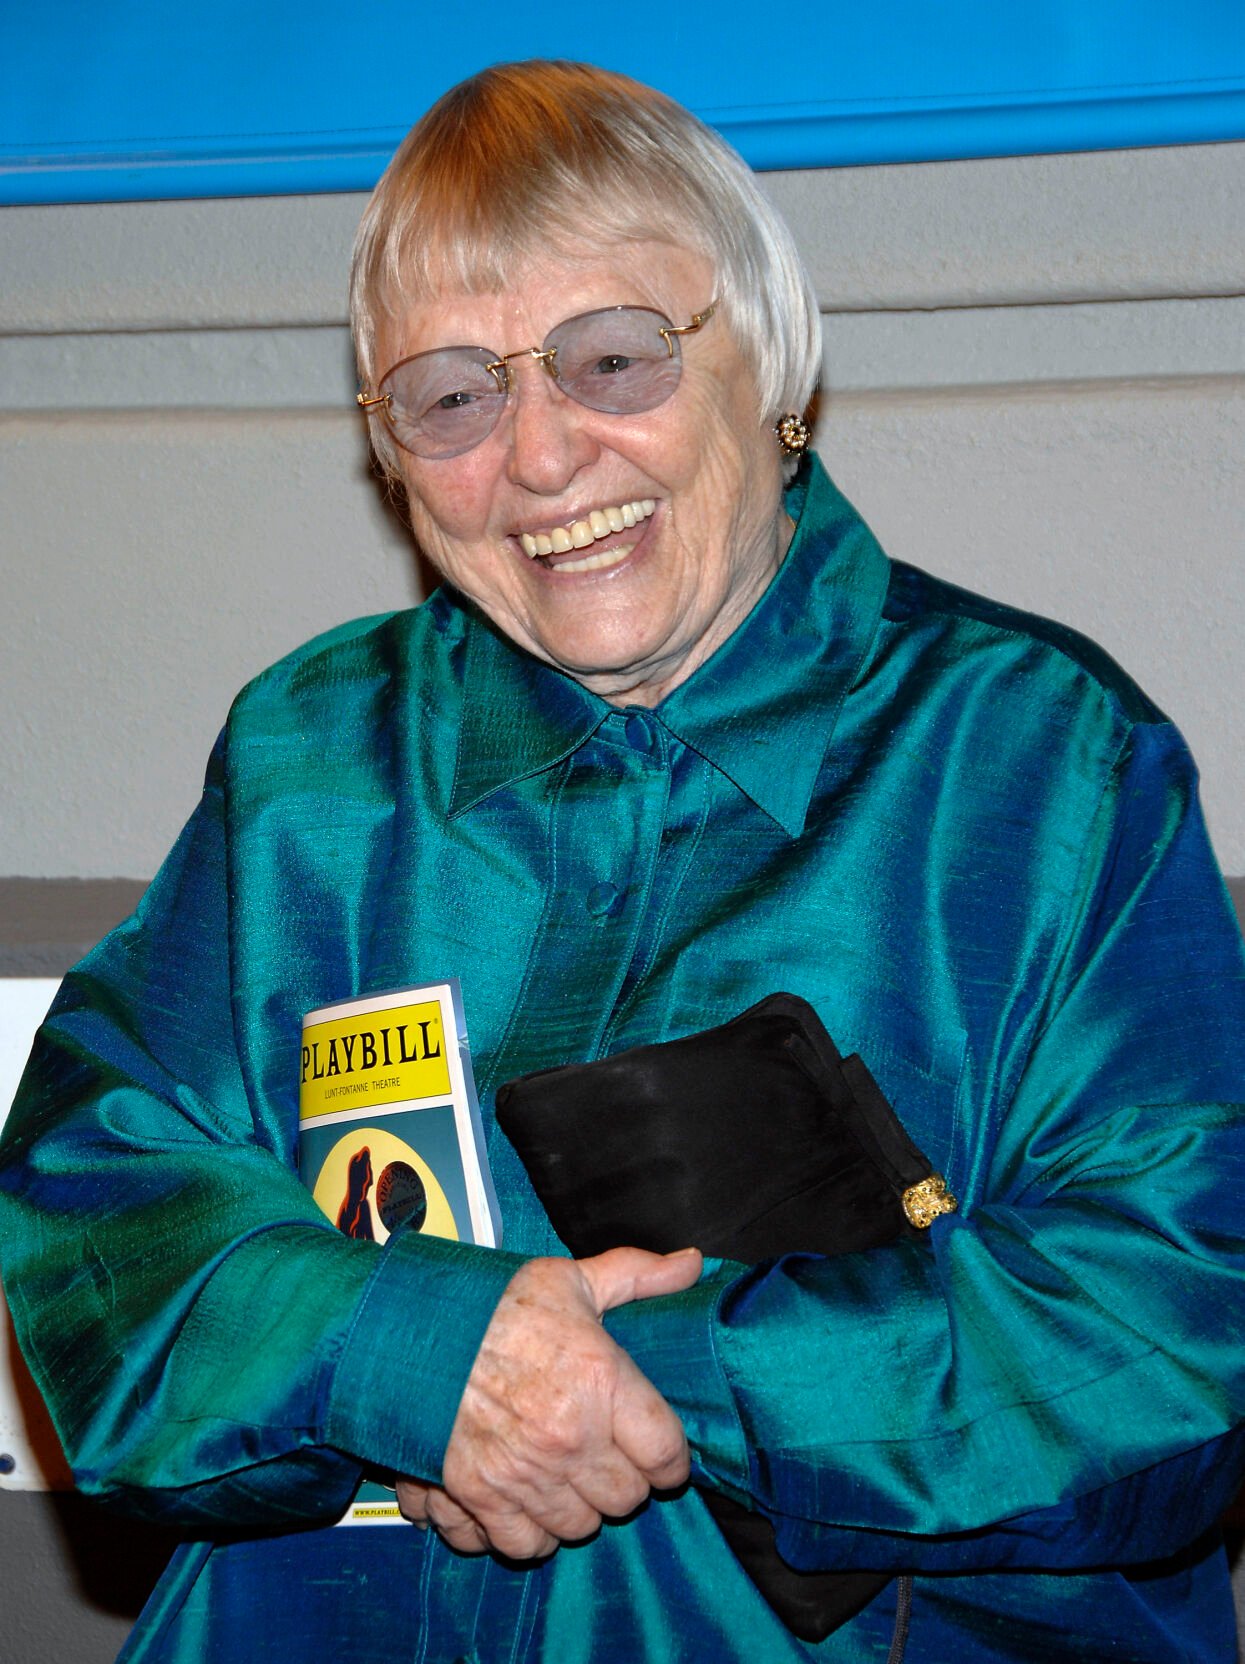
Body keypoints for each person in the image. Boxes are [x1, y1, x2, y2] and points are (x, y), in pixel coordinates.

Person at [3, 58, 1245, 1664]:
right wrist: (412, 1356)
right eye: (452, 396)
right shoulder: (312, 763)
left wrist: (646, 1382)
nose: (538, 459)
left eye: (610, 361)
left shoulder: (1035, 768)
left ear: (774, 374)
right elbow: (97, 1207)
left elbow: (1170, 1343)